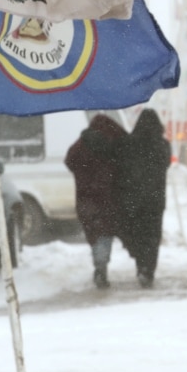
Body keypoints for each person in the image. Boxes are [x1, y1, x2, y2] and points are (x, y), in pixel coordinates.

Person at [64, 114, 128, 289]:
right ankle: (102, 267)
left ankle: (99, 266)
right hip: (108, 199)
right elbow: (125, 164)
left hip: (85, 199)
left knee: (94, 233)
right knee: (105, 233)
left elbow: (69, 161)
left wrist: (84, 174)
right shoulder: (113, 143)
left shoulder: (81, 144)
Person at [114, 109, 172, 288]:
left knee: (138, 235)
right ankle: (149, 270)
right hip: (155, 200)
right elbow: (166, 163)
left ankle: (140, 266)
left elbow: (121, 167)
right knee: (153, 237)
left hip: (134, 199)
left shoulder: (129, 144)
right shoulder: (162, 145)